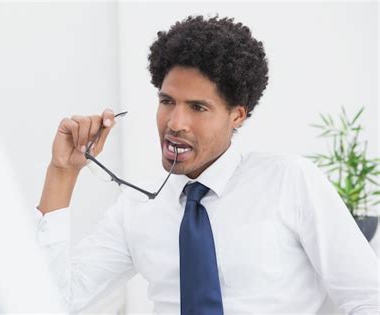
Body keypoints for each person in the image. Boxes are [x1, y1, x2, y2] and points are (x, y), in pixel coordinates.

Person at [36, 15, 379, 314]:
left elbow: (368, 299)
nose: (175, 122)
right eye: (167, 101)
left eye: (198, 107)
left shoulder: (290, 181)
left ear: (237, 115)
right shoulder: (136, 209)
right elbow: (53, 300)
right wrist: (62, 173)